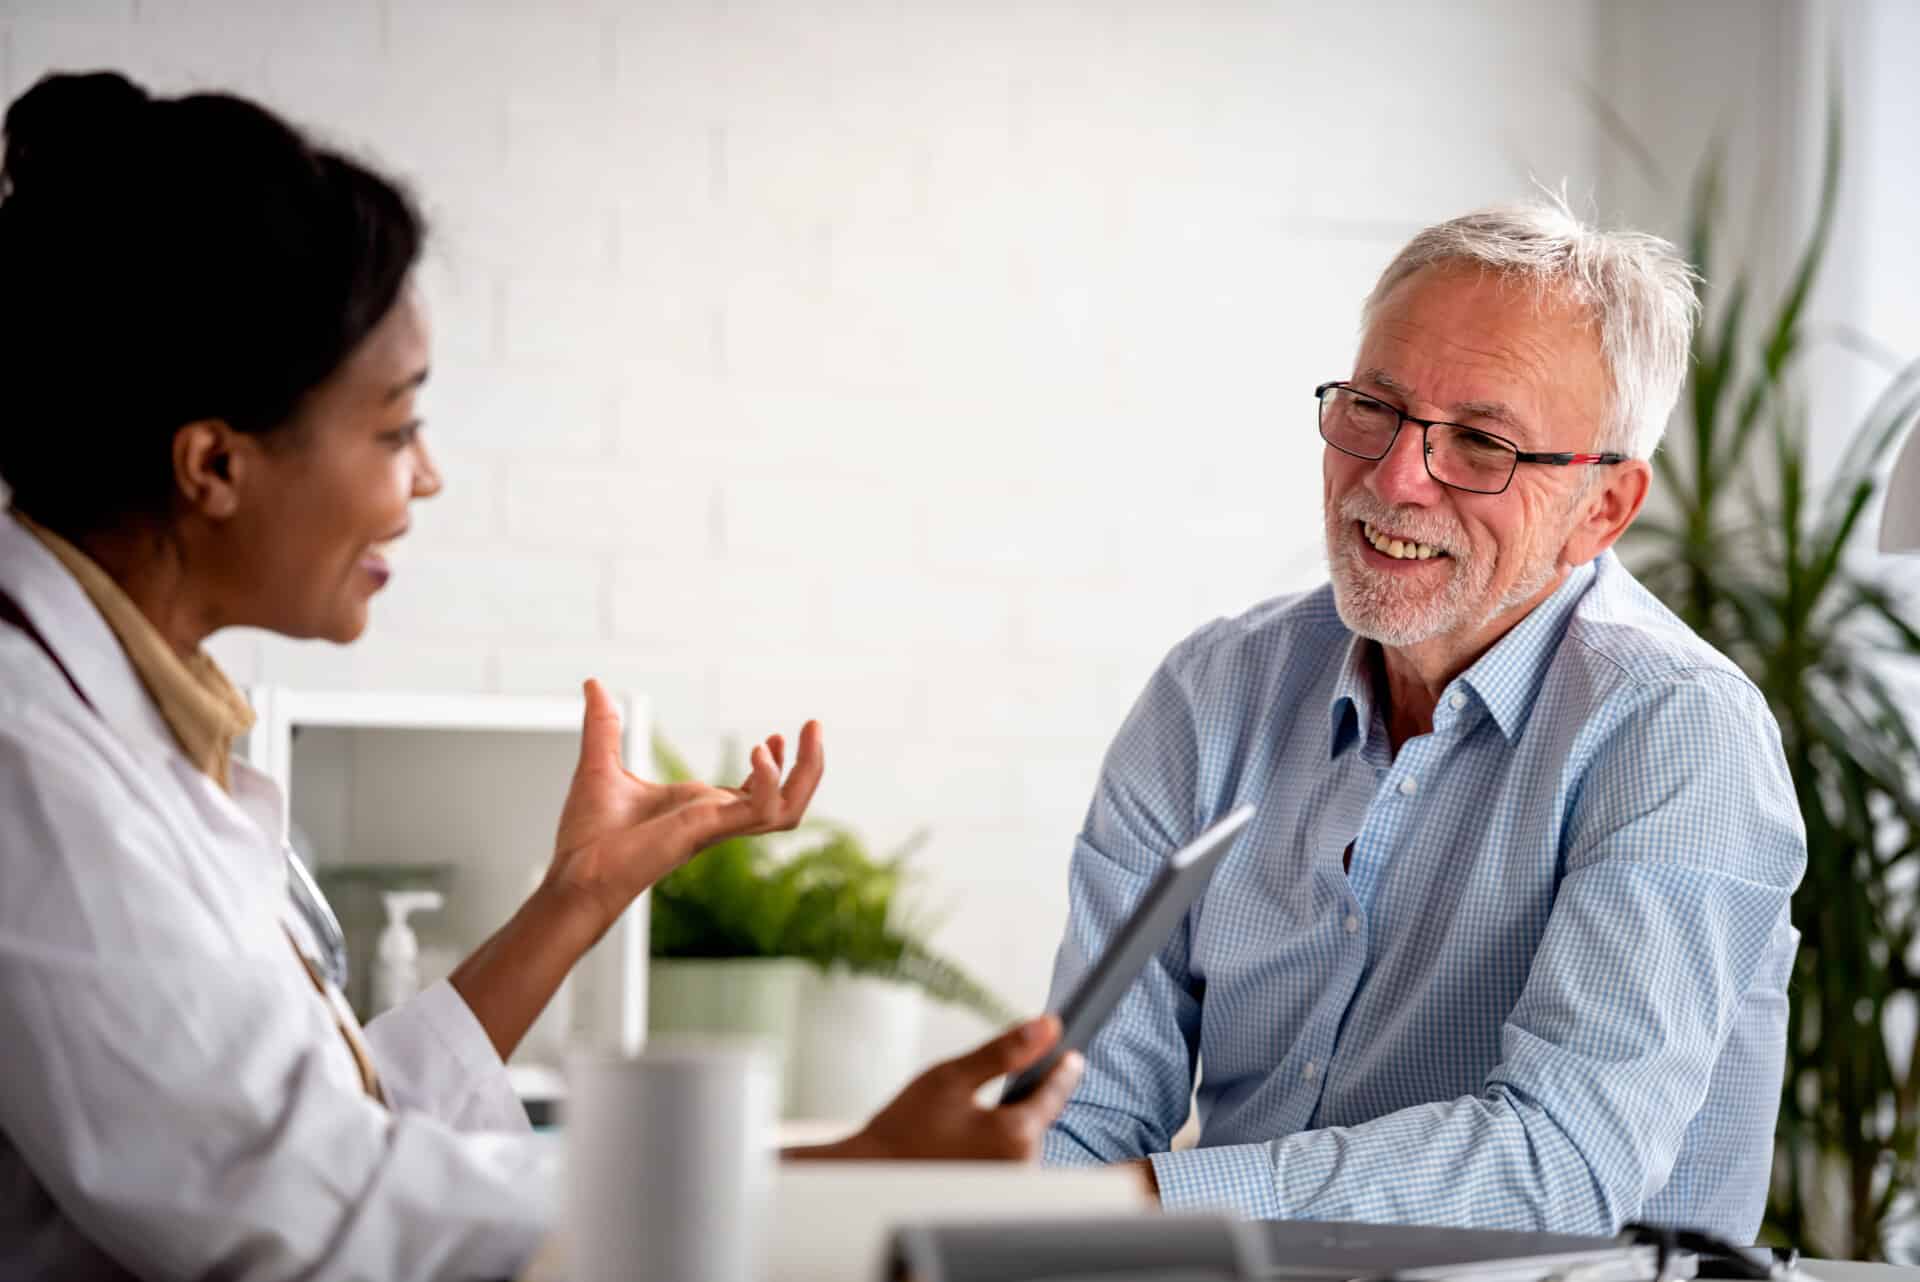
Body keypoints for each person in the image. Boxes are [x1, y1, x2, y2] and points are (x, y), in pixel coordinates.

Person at [0, 71, 1082, 1282]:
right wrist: (843, 1172)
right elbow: (311, 1203)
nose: (429, 478)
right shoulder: (29, 765)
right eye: (396, 428)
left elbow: (339, 1131)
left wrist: (580, 892)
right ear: (214, 464)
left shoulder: (131, 728)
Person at [1039, 201, 1806, 1242]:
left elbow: (1564, 1165)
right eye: (1374, 408)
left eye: (1482, 443)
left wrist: (1146, 1205)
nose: (1396, 478)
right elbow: (1082, 1120)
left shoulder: (1677, 731)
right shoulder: (1210, 695)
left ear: (1604, 509)